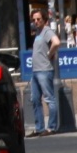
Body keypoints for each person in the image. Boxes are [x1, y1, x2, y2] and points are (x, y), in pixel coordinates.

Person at [27, 8, 61, 137]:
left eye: (38, 19)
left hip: (44, 70)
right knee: (35, 99)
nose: (36, 21)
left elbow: (56, 42)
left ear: (44, 20)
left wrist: (49, 53)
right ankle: (39, 128)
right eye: (34, 19)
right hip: (36, 71)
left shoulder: (47, 31)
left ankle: (51, 127)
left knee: (49, 99)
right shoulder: (38, 33)